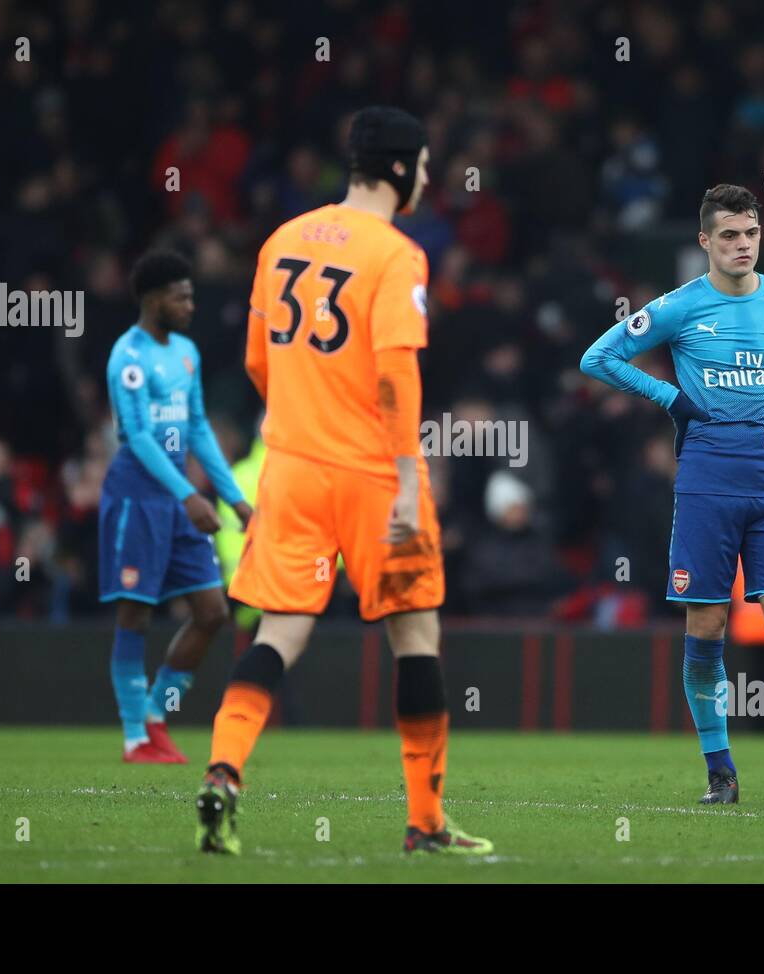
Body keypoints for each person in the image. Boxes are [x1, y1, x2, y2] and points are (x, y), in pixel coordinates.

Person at [196, 107, 492, 856]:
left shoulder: (281, 239)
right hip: (370, 470)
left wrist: (299, 415)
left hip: (291, 468)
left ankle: (225, 770)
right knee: (415, 636)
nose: (427, 177)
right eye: (422, 164)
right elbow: (396, 373)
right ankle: (425, 821)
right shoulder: (398, 256)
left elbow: (259, 361)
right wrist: (401, 479)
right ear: (398, 168)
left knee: (279, 633)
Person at [580, 183, 764, 807]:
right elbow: (599, 356)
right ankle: (721, 771)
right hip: (706, 485)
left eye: (749, 233)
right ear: (704, 242)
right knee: (709, 624)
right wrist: (671, 398)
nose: (741, 245)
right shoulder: (680, 306)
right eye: (728, 235)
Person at [99, 250, 252, 763]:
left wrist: (234, 498)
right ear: (152, 299)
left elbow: (199, 428)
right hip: (137, 498)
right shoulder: (129, 358)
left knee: (212, 612)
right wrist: (188, 494)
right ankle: (134, 736)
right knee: (135, 614)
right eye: (180, 296)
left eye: (191, 295)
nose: (190, 304)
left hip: (177, 500)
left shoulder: (186, 353)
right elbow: (139, 437)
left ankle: (156, 714)